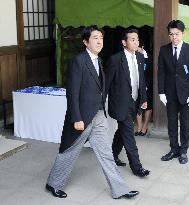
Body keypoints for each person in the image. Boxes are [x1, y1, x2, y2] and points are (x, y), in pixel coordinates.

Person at [45, 25, 139, 199]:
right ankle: (53, 183)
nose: (99, 41)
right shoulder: (78, 61)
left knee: (106, 154)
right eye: (95, 38)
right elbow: (72, 92)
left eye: (101, 38)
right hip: (82, 117)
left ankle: (120, 190)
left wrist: (102, 110)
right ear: (85, 42)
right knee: (69, 151)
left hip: (98, 115)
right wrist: (76, 118)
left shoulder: (99, 60)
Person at [106, 28, 150, 177]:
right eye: (132, 39)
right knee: (129, 134)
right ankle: (137, 168)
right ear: (124, 42)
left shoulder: (139, 57)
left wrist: (143, 99)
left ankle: (111, 155)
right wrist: (100, 105)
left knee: (122, 131)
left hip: (135, 101)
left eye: (137, 39)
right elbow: (107, 84)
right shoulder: (115, 59)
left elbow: (141, 80)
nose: (136, 42)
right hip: (121, 104)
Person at [158, 20, 189, 164]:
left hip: (186, 94)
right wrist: (161, 92)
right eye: (171, 34)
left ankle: (183, 150)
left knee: (186, 123)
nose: (174, 37)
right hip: (169, 94)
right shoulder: (164, 50)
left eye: (177, 34)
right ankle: (174, 149)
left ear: (183, 33)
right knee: (172, 123)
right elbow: (161, 72)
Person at [135, 45, 153, 136]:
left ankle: (144, 127)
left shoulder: (150, 57)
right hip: (136, 86)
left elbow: (152, 74)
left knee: (147, 106)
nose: (135, 50)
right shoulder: (133, 56)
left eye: (137, 48)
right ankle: (139, 127)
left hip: (147, 86)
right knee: (138, 106)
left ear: (142, 47)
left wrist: (147, 85)